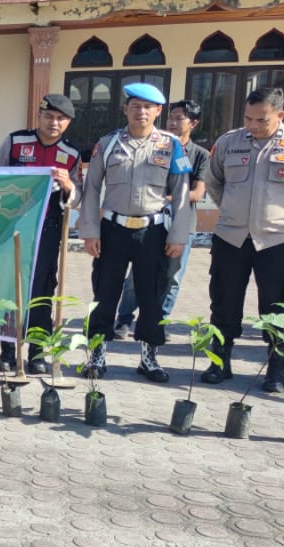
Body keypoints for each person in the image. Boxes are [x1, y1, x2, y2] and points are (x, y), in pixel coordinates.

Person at [201, 87, 284, 392]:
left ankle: (276, 371)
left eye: (261, 119)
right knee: (224, 302)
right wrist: (233, 211)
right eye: (248, 118)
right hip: (232, 237)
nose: (253, 125)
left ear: (280, 115)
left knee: (277, 306)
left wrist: (281, 217)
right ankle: (220, 363)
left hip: (277, 240)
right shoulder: (228, 142)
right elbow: (214, 182)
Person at [79, 83, 193, 383]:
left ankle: (148, 356)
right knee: (104, 293)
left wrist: (178, 235)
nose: (141, 112)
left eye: (147, 107)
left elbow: (181, 193)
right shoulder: (108, 143)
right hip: (113, 229)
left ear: (158, 111)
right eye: (135, 106)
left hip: (153, 231)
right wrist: (90, 231)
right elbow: (91, 189)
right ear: (125, 109)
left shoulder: (171, 145)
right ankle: (97, 353)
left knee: (151, 294)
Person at [0, 94, 82, 374]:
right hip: (12, 229)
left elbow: (77, 198)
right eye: (49, 116)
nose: (54, 123)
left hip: (48, 231)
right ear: (39, 116)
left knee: (41, 291)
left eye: (61, 118)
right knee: (9, 286)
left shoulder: (72, 154)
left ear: (67, 123)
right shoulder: (16, 142)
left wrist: (68, 185)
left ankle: (37, 351)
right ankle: (7, 350)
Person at [114, 100, 212, 338]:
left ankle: (158, 321)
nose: (173, 122)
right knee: (137, 275)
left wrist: (164, 197)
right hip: (149, 222)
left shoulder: (200, 155)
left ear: (194, 123)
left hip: (181, 223)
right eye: (171, 118)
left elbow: (197, 192)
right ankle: (124, 319)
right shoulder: (158, 145)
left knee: (172, 276)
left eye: (180, 118)